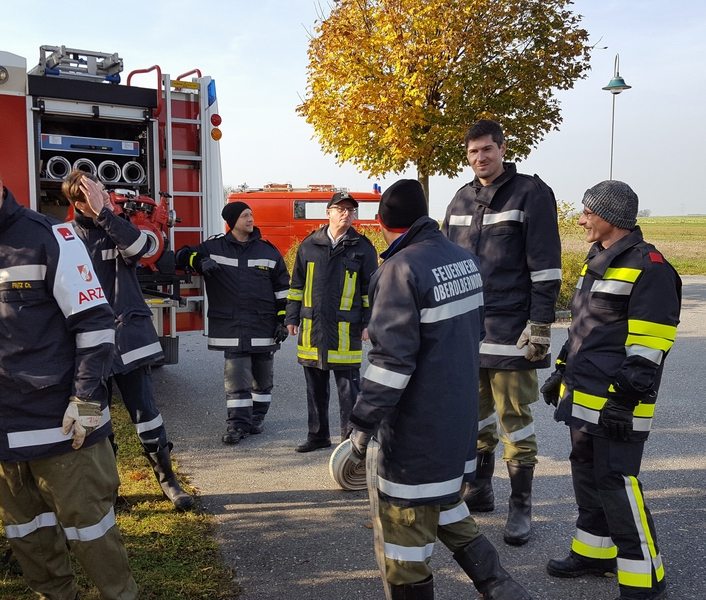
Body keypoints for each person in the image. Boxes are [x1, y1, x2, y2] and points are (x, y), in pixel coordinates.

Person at [0, 150, 137, 600]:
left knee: (92, 535)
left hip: (63, 429)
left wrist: (86, 400)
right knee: (29, 538)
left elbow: (96, 324)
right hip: (3, 430)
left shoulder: (52, 238)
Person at [348, 179, 531, 600]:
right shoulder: (463, 260)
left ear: (382, 224)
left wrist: (361, 427)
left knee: (406, 546)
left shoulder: (398, 270)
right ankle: (501, 586)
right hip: (457, 424)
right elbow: (473, 333)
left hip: (416, 437)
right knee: (445, 504)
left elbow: (391, 365)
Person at [542, 181, 680, 600]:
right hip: (583, 395)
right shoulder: (598, 259)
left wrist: (623, 402)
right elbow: (583, 327)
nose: (581, 220)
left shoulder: (649, 268)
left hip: (618, 403)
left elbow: (649, 346)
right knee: (587, 474)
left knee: (617, 482)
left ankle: (645, 580)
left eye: (587, 212)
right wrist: (560, 370)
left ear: (611, 217)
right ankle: (594, 553)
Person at [442, 118, 561, 545]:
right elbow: (444, 263)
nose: (480, 158)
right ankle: (479, 490)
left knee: (515, 420)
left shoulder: (530, 193)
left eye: (487, 149)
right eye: (473, 152)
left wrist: (540, 324)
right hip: (467, 330)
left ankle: (521, 507)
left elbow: (546, 266)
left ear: (502, 148)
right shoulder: (459, 198)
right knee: (472, 416)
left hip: (512, 330)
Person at [61, 170, 193, 511]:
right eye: (97, 193)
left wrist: (105, 213)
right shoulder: (64, 237)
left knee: (146, 414)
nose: (106, 196)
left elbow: (139, 249)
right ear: (79, 203)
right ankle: (108, 490)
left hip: (128, 339)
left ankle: (169, 481)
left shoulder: (116, 227)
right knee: (94, 419)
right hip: (87, 347)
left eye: (103, 190)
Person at [175, 201, 289, 444]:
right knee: (237, 377)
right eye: (245, 215)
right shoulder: (214, 247)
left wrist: (283, 320)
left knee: (263, 378)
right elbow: (181, 254)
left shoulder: (268, 251)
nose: (250, 219)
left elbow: (282, 289)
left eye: (251, 215)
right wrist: (199, 261)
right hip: (231, 326)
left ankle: (257, 418)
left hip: (264, 324)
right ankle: (237, 425)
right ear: (232, 221)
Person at [285, 192, 377, 453]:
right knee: (314, 388)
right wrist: (291, 317)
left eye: (351, 210)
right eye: (341, 209)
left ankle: (350, 443)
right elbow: (297, 286)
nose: (346, 213)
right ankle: (317, 437)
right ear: (328, 212)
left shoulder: (363, 247)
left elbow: (370, 290)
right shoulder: (309, 245)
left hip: (345, 330)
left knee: (349, 391)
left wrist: (369, 322)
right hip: (312, 329)